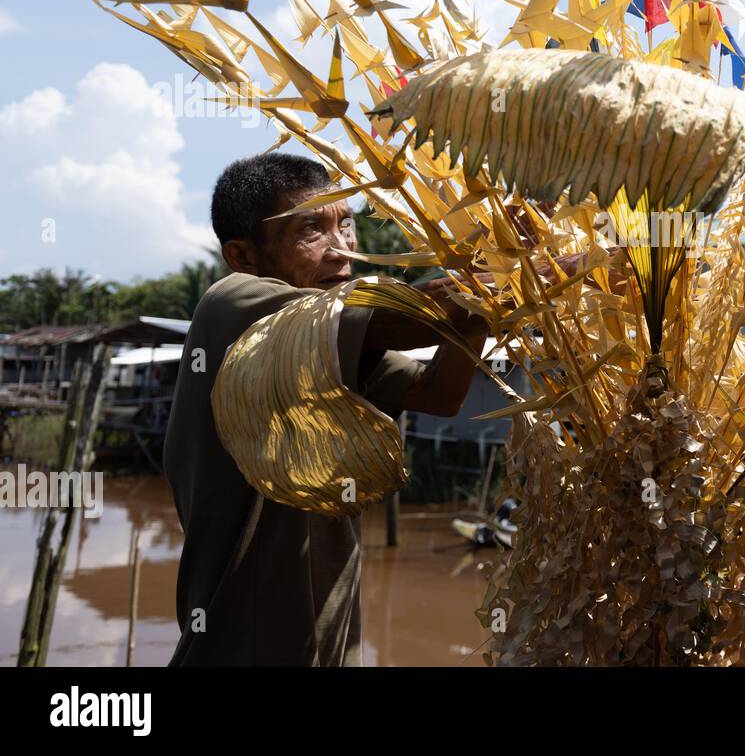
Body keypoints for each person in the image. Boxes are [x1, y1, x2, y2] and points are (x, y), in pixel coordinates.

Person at [164, 153, 497, 666]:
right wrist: (519, 277)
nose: (341, 249)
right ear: (244, 256)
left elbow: (437, 394)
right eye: (310, 230)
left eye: (346, 224)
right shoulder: (231, 306)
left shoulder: (334, 353)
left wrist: (485, 298)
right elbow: (410, 319)